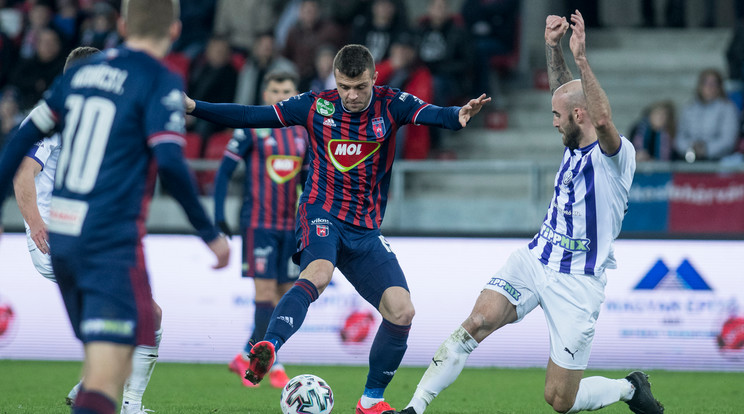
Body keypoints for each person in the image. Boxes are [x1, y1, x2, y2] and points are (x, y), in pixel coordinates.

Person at [383, 11, 664, 414]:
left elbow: (600, 116)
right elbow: (568, 96)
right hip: (536, 258)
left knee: (560, 400)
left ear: (578, 117)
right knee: (477, 322)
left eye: (556, 116)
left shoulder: (615, 158)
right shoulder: (573, 135)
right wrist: (552, 47)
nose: (553, 123)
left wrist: (582, 60)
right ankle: (415, 407)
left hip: (578, 280)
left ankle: (629, 389)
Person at [184, 43, 489, 414]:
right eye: (344, 86)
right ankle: (269, 347)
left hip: (365, 230)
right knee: (319, 272)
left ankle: (370, 401)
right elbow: (251, 115)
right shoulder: (316, 105)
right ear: (335, 80)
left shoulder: (392, 104)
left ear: (375, 78)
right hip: (321, 213)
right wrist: (195, 107)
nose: (352, 95)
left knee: (402, 311)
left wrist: (458, 114)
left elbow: (433, 114)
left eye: (360, 86)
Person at [0, 1, 230, 413]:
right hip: (103, 238)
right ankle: (130, 403)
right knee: (143, 328)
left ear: (121, 26)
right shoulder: (156, 78)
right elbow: (172, 165)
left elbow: (14, 148)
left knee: (114, 349)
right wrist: (209, 231)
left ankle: (103, 391)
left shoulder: (76, 81)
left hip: (65, 241)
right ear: (176, 31)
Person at [11, 45, 163, 414]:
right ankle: (129, 403)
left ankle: (91, 389)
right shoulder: (50, 116)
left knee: (125, 319)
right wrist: (36, 226)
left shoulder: (90, 115)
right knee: (145, 316)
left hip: (87, 235)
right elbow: (22, 173)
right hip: (57, 238)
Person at [215, 70, 308, 389]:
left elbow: (308, 180)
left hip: (291, 226)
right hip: (258, 224)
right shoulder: (252, 128)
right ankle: (271, 364)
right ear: (265, 95)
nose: (281, 95)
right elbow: (224, 171)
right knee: (265, 294)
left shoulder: (303, 132)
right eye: (275, 89)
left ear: (296, 94)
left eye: (287, 89)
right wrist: (218, 213)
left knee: (284, 295)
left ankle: (245, 353)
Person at [674, 68, 740, 163]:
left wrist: (706, 149)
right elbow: (679, 137)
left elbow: (728, 140)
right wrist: (690, 148)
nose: (709, 87)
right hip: (688, 159)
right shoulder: (688, 107)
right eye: (705, 82)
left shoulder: (728, 108)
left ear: (719, 87)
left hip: (717, 162)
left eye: (713, 83)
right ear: (699, 86)